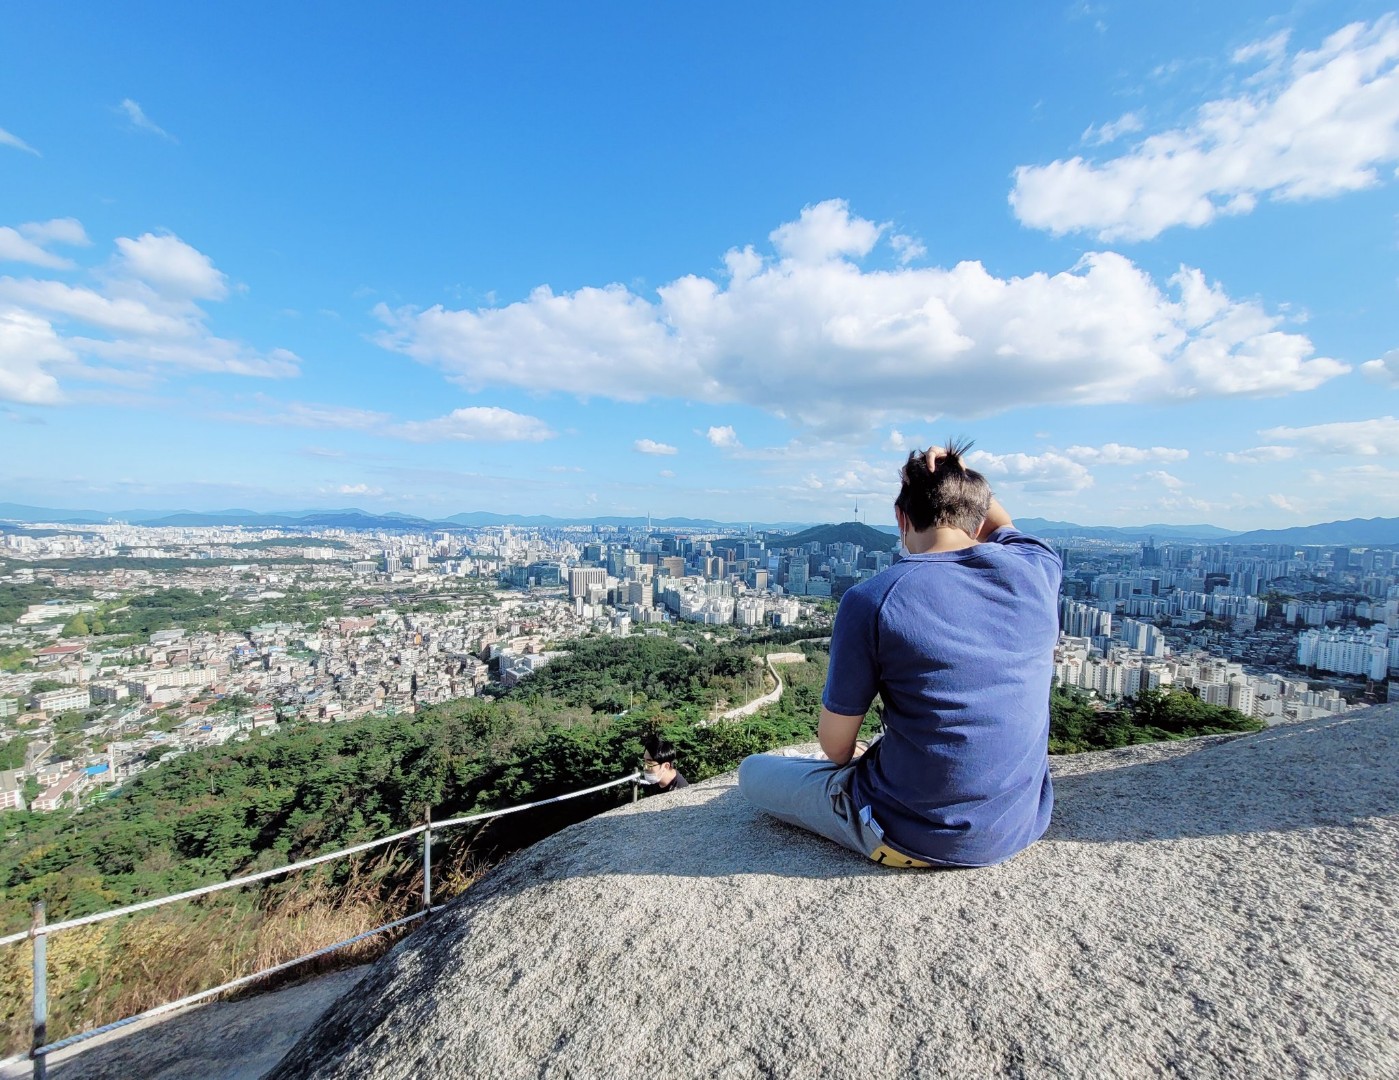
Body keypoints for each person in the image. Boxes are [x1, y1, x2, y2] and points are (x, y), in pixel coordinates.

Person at [737, 441, 1063, 868]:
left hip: (911, 832)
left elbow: (836, 750)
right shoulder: (1038, 567)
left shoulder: (875, 598)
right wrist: (958, 474)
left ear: (900, 517)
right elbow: (997, 521)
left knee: (751, 772)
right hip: (1021, 821)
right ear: (979, 515)